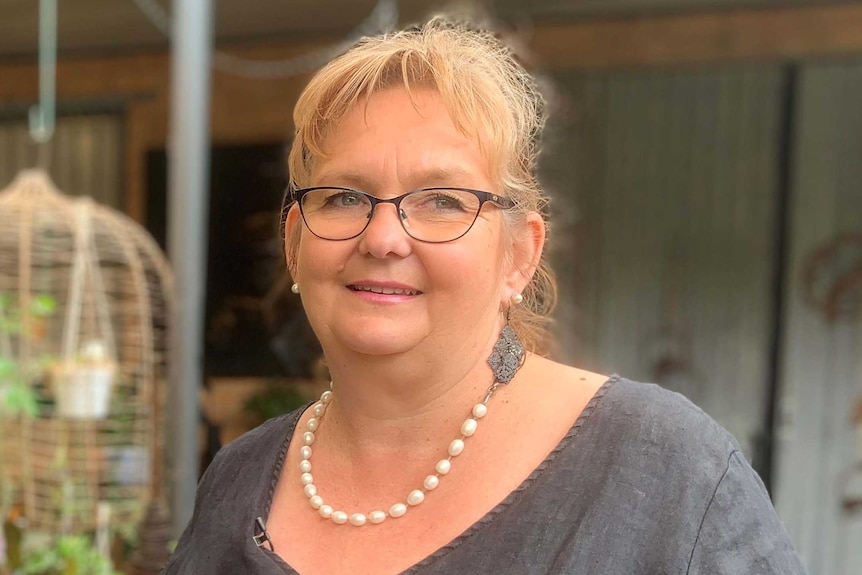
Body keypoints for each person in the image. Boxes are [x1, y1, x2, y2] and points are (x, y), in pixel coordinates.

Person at [163, 17, 807, 575]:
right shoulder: (240, 476)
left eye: (442, 200)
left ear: (519, 255)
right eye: (344, 197)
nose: (384, 236)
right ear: (295, 241)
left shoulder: (666, 472)